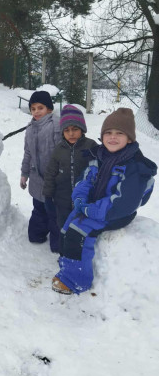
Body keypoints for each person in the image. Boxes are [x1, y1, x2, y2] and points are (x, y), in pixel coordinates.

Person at [52, 108, 157, 295]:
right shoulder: (99, 156)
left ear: (129, 139)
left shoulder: (134, 166)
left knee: (79, 232)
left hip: (116, 213)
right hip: (95, 206)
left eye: (119, 133)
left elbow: (123, 203)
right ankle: (67, 263)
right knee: (67, 225)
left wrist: (90, 210)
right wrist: (79, 199)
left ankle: (75, 281)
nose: (113, 137)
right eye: (108, 133)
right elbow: (85, 180)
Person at [43, 105, 97, 231]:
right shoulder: (59, 149)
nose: (71, 133)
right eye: (67, 130)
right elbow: (50, 173)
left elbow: (99, 169)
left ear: (82, 129)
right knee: (63, 226)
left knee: (82, 228)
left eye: (75, 129)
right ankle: (62, 241)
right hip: (62, 199)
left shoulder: (91, 146)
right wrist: (47, 196)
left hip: (86, 199)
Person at [20, 90, 62, 252]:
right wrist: (24, 174)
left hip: (54, 180)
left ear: (49, 109)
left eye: (40, 108)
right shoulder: (30, 128)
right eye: (33, 108)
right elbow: (28, 153)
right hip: (37, 178)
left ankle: (58, 243)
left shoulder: (56, 125)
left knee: (55, 212)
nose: (36, 112)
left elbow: (63, 151)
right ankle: (37, 234)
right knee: (39, 208)